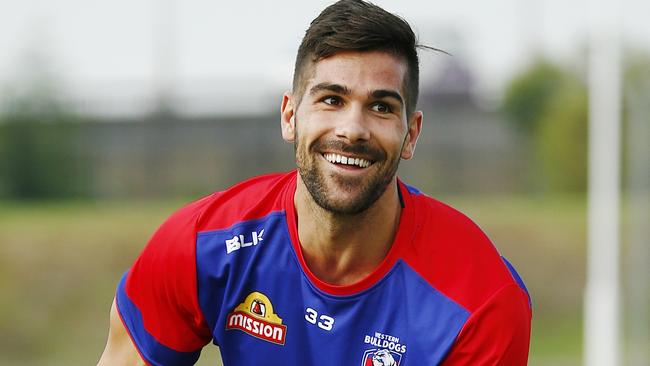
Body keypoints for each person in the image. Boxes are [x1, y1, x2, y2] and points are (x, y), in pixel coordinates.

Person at [97, 0, 532, 365]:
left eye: (380, 107)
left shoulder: (481, 300)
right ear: (290, 115)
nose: (353, 129)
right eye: (331, 99)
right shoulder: (201, 245)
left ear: (411, 134)